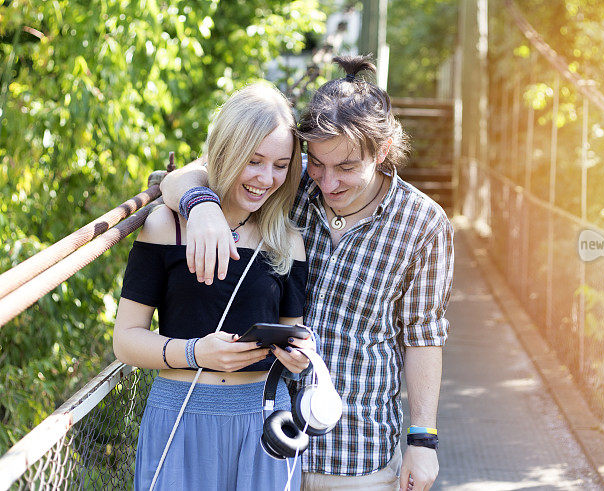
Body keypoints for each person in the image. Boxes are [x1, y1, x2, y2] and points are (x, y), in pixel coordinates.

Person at [160, 55, 454, 491]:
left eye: (346, 168)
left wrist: (423, 439)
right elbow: (182, 176)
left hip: (357, 454)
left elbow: (423, 335)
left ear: (384, 150)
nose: (327, 182)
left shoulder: (424, 225)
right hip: (263, 444)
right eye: (316, 163)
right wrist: (200, 205)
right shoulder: (286, 187)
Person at [113, 82, 315, 490]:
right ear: (225, 153)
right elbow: (125, 340)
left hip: (263, 420)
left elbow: (296, 337)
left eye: (280, 165)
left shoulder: (287, 239)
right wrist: (194, 352)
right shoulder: (165, 227)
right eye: (253, 161)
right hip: (179, 417)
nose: (266, 178)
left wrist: (300, 359)